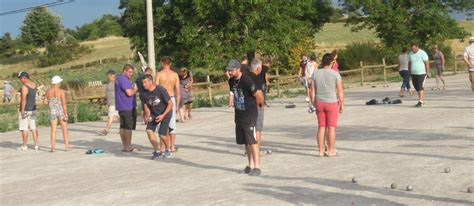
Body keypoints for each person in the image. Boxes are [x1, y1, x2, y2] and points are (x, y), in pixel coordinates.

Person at [227, 59, 264, 176]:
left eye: (231, 70)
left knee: (252, 141)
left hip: (250, 114)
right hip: (239, 115)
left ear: (238, 69)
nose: (229, 72)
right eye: (228, 70)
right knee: (246, 142)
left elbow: (258, 95)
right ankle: (250, 165)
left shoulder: (247, 80)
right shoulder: (231, 81)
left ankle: (257, 167)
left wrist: (259, 107)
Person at [311, 54, 344, 157]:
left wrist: (313, 103)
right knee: (331, 127)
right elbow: (340, 91)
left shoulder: (315, 74)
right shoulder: (335, 74)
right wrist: (342, 103)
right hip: (332, 102)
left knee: (321, 127)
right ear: (331, 63)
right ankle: (331, 150)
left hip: (320, 102)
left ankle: (321, 151)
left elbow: (312, 91)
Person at [142, 74, 174, 159]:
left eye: (145, 82)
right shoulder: (144, 93)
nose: (143, 84)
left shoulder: (160, 89)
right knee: (149, 130)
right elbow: (146, 106)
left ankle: (167, 150)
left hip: (166, 112)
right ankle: (157, 151)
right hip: (154, 113)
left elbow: (171, 104)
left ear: (150, 81)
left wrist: (163, 115)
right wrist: (148, 116)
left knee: (162, 134)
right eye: (142, 83)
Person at [155, 56, 180, 152]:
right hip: (171, 98)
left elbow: (156, 89)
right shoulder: (175, 75)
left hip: (161, 99)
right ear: (170, 64)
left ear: (162, 63)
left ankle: (162, 147)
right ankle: (172, 146)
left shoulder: (159, 74)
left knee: (161, 122)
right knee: (172, 123)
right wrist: (177, 105)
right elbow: (178, 91)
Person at [115, 64, 139, 152]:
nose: (131, 74)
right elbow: (129, 93)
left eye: (132, 72)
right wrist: (136, 89)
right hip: (127, 106)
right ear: (124, 71)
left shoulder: (118, 78)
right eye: (129, 72)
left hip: (121, 106)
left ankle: (124, 146)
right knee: (128, 127)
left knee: (123, 126)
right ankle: (128, 146)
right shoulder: (124, 79)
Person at [44, 76, 69, 152]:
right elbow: (64, 104)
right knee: (64, 129)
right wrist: (65, 113)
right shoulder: (61, 91)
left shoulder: (48, 91)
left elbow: (45, 102)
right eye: (60, 82)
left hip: (52, 111)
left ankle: (53, 148)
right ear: (58, 83)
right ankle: (66, 147)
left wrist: (50, 103)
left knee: (53, 130)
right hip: (60, 110)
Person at [17, 71, 39, 151]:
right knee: (33, 128)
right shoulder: (34, 85)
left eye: (20, 78)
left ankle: (25, 145)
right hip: (33, 109)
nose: (20, 80)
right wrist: (18, 90)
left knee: (24, 128)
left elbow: (23, 100)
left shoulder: (24, 87)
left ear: (23, 78)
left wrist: (22, 110)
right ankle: (36, 145)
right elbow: (29, 91)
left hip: (25, 110)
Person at [248, 59, 266, 155]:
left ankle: (249, 151)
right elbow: (259, 94)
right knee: (257, 129)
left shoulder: (245, 77)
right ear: (258, 68)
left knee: (248, 130)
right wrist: (261, 106)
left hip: (246, 107)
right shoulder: (256, 78)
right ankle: (257, 151)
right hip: (255, 106)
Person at [408, 43, 430, 107]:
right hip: (413, 73)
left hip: (422, 73)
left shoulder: (422, 53)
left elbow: (426, 63)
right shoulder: (410, 54)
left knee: (420, 86)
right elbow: (409, 63)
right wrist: (409, 72)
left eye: (414, 48)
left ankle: (421, 101)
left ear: (417, 47)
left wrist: (428, 72)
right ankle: (421, 99)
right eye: (412, 49)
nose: (413, 50)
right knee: (416, 86)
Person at [101, 70, 118, 135]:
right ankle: (122, 129)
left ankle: (106, 130)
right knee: (119, 117)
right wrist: (105, 101)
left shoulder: (116, 83)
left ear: (111, 75)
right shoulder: (110, 84)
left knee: (110, 116)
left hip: (114, 103)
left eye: (108, 76)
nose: (107, 77)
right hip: (112, 103)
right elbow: (107, 94)